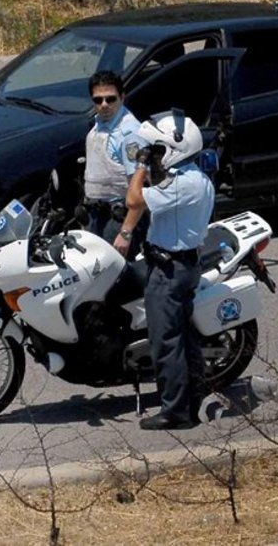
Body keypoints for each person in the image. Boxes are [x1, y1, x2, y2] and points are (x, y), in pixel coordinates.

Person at [118, 110, 215, 431]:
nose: (155, 156)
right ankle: (194, 398)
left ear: (175, 149)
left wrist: (140, 165)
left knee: (166, 342)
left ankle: (175, 411)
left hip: (169, 270)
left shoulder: (182, 185)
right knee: (185, 338)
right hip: (181, 265)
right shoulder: (195, 179)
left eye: (157, 149)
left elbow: (134, 200)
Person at [83, 70, 147, 257]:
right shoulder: (100, 123)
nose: (104, 105)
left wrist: (125, 233)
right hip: (97, 214)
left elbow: (139, 190)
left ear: (122, 97)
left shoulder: (129, 134)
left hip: (118, 220)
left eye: (110, 99)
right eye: (98, 100)